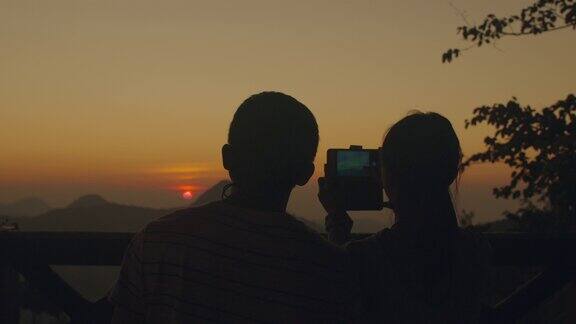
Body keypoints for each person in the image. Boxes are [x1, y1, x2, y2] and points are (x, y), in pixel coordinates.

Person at [110, 91, 359, 323]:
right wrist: (336, 223)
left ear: (227, 157)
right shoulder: (329, 268)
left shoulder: (156, 242)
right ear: (305, 174)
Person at [319, 112, 491, 323]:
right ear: (451, 172)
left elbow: (338, 283)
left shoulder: (365, 256)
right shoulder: (476, 250)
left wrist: (336, 220)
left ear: (388, 175)